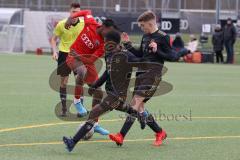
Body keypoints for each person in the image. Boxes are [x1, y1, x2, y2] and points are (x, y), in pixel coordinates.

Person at [109, 11, 189, 147]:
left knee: (135, 103)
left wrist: (157, 50)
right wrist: (128, 45)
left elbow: (173, 56)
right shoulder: (145, 36)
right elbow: (140, 55)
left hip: (153, 74)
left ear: (150, 23)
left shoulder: (163, 37)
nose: (141, 28)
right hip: (141, 73)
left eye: (142, 26)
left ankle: (121, 135)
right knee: (139, 107)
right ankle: (160, 132)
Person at [63, 30, 150, 152]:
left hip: (117, 95)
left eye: (105, 42)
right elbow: (106, 73)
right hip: (111, 92)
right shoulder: (108, 55)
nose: (104, 44)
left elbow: (143, 64)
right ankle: (140, 115)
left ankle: (72, 142)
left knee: (94, 113)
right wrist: (95, 86)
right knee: (125, 108)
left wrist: (149, 52)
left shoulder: (126, 55)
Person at [64, 10, 113, 135]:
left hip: (85, 60)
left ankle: (95, 123)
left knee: (98, 93)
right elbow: (86, 11)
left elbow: (91, 60)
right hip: (73, 56)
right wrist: (71, 18)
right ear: (103, 27)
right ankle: (77, 101)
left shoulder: (103, 44)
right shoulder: (91, 23)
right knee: (81, 71)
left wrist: (80, 56)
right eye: (109, 32)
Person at [50, 3, 84, 116]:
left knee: (79, 81)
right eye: (73, 12)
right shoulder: (61, 24)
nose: (75, 14)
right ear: (70, 12)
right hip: (64, 55)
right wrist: (55, 51)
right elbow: (53, 39)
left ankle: (80, 109)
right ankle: (64, 109)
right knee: (64, 83)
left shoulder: (84, 24)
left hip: (77, 55)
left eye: (78, 12)